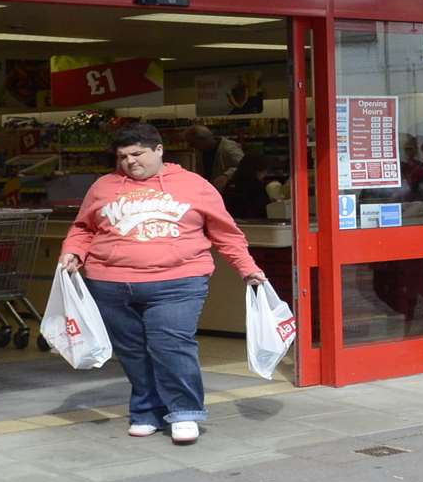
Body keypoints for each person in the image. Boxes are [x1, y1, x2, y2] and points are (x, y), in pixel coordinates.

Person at [61, 122, 265, 445]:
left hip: (177, 282)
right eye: (123, 156)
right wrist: (73, 252)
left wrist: (248, 269)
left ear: (158, 150)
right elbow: (84, 228)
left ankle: (185, 411)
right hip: (110, 283)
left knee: (170, 344)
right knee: (132, 352)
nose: (130, 162)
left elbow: (225, 233)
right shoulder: (103, 187)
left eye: (138, 154)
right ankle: (145, 411)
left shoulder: (194, 185)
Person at [186, 124, 245, 190]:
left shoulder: (228, 147)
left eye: (193, 143)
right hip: (211, 189)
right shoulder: (200, 152)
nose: (192, 146)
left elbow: (244, 165)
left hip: (230, 190)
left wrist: (226, 176)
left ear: (202, 139)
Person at [220, 152, 272, 221]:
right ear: (260, 170)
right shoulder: (256, 187)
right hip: (253, 225)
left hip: (230, 222)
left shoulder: (231, 183)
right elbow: (263, 210)